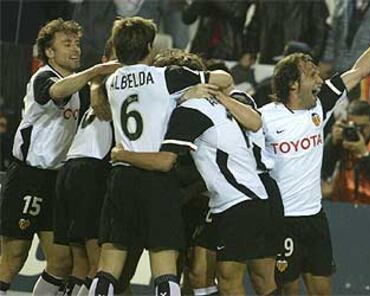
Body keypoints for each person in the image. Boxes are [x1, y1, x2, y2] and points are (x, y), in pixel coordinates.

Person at [259, 9, 370, 295]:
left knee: (322, 291)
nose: (319, 80)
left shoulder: (319, 106)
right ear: (293, 84)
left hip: (314, 218)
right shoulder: (264, 118)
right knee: (289, 291)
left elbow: (360, 70)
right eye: (312, 75)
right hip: (281, 219)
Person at [110, 50, 280, 296]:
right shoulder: (202, 103)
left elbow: (164, 162)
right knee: (199, 272)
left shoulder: (190, 111)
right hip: (221, 204)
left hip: (243, 202)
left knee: (230, 280)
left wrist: (121, 155)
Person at [88, 17, 232, 296]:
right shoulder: (166, 77)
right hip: (158, 178)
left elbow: (102, 96)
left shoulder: (113, 80)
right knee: (164, 267)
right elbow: (224, 79)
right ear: (150, 46)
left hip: (122, 176)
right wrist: (188, 92)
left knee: (107, 267)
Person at [0, 18, 117, 296]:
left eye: (77, 43)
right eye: (66, 44)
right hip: (28, 177)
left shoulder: (79, 89)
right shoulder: (44, 76)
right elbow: (55, 92)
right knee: (13, 257)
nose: (75, 49)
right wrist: (97, 70)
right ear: (49, 52)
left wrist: (99, 83)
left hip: (57, 181)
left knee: (62, 262)